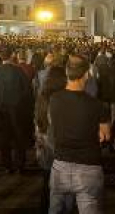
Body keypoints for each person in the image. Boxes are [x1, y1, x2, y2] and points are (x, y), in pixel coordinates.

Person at [49, 54, 110, 214]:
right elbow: (105, 135)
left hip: (60, 166)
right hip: (88, 168)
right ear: (86, 75)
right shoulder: (97, 105)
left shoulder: (54, 99)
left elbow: (54, 124)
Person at [35, 66, 67, 213]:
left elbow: (37, 120)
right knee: (58, 187)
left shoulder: (42, 95)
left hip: (43, 143)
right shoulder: (59, 98)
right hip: (54, 145)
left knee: (46, 181)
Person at [0, 48, 31, 173]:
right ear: (11, 56)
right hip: (17, 107)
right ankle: (20, 164)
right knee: (18, 137)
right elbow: (27, 89)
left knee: (5, 137)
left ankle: (7, 165)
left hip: (2, 107)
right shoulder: (18, 70)